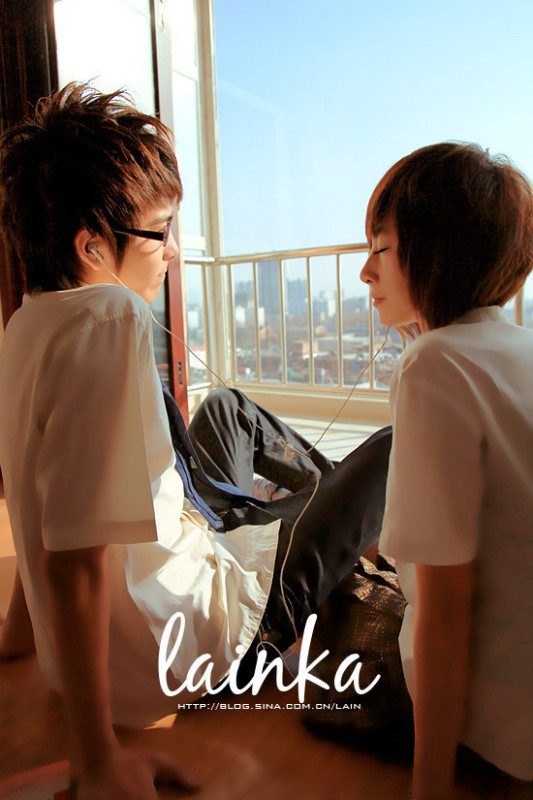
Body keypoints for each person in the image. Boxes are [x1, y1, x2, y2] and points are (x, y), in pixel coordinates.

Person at [0, 83, 391, 799]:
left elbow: (44, 499)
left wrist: (22, 636)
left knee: (228, 411)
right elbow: (73, 559)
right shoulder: (109, 318)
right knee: (391, 447)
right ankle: (353, 537)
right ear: (92, 245)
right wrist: (96, 761)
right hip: (188, 649)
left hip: (158, 591)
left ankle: (318, 517)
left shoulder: (28, 322)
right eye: (160, 232)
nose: (174, 251)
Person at [360, 142, 533, 799]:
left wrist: (428, 787)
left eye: (380, 249)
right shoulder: (517, 347)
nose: (364, 272)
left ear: (435, 254)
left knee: (329, 621)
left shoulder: (433, 365)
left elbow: (445, 605)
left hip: (495, 724)